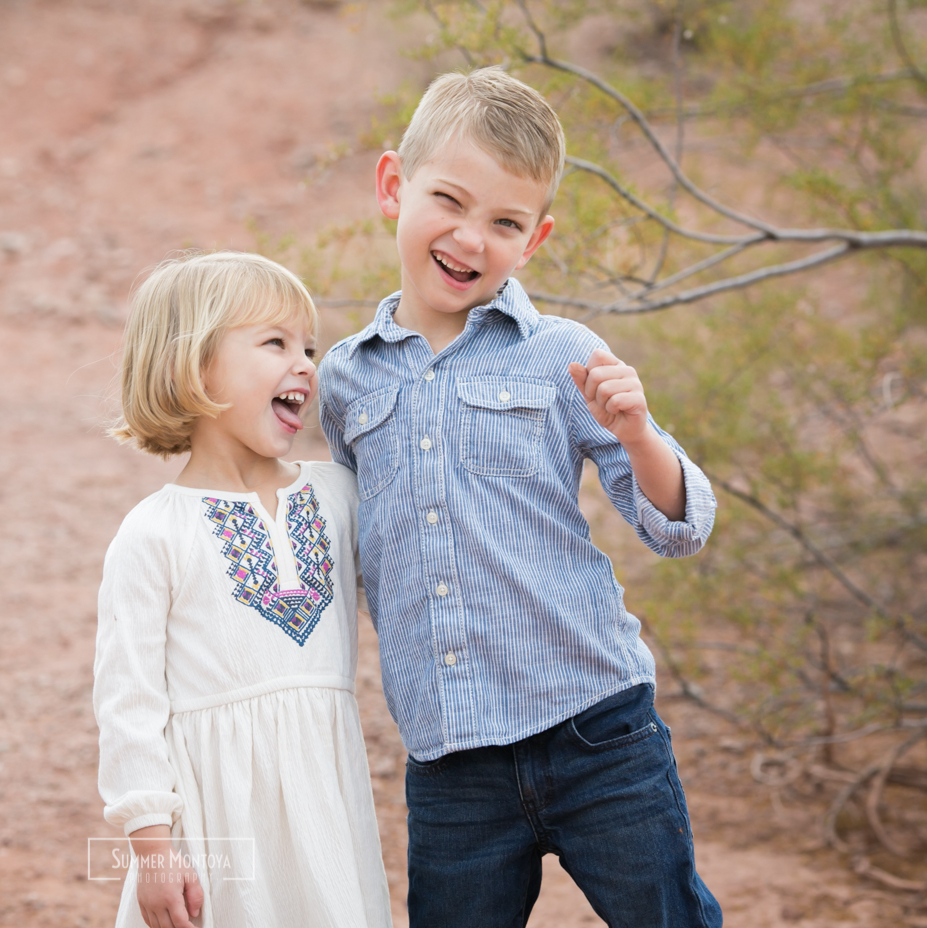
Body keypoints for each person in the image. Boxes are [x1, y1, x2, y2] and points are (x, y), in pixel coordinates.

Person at [318, 67, 723, 927]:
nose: (472, 238)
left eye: (504, 223)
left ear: (533, 241)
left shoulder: (561, 355)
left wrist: (643, 433)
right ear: (395, 187)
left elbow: (679, 525)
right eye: (451, 202)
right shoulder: (346, 380)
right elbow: (333, 531)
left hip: (598, 731)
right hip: (452, 762)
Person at [94, 252, 392, 928]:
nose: (306, 364)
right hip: (214, 833)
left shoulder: (337, 497)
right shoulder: (153, 534)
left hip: (326, 813)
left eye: (308, 346)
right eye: (275, 343)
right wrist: (151, 847)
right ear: (195, 367)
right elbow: (127, 703)